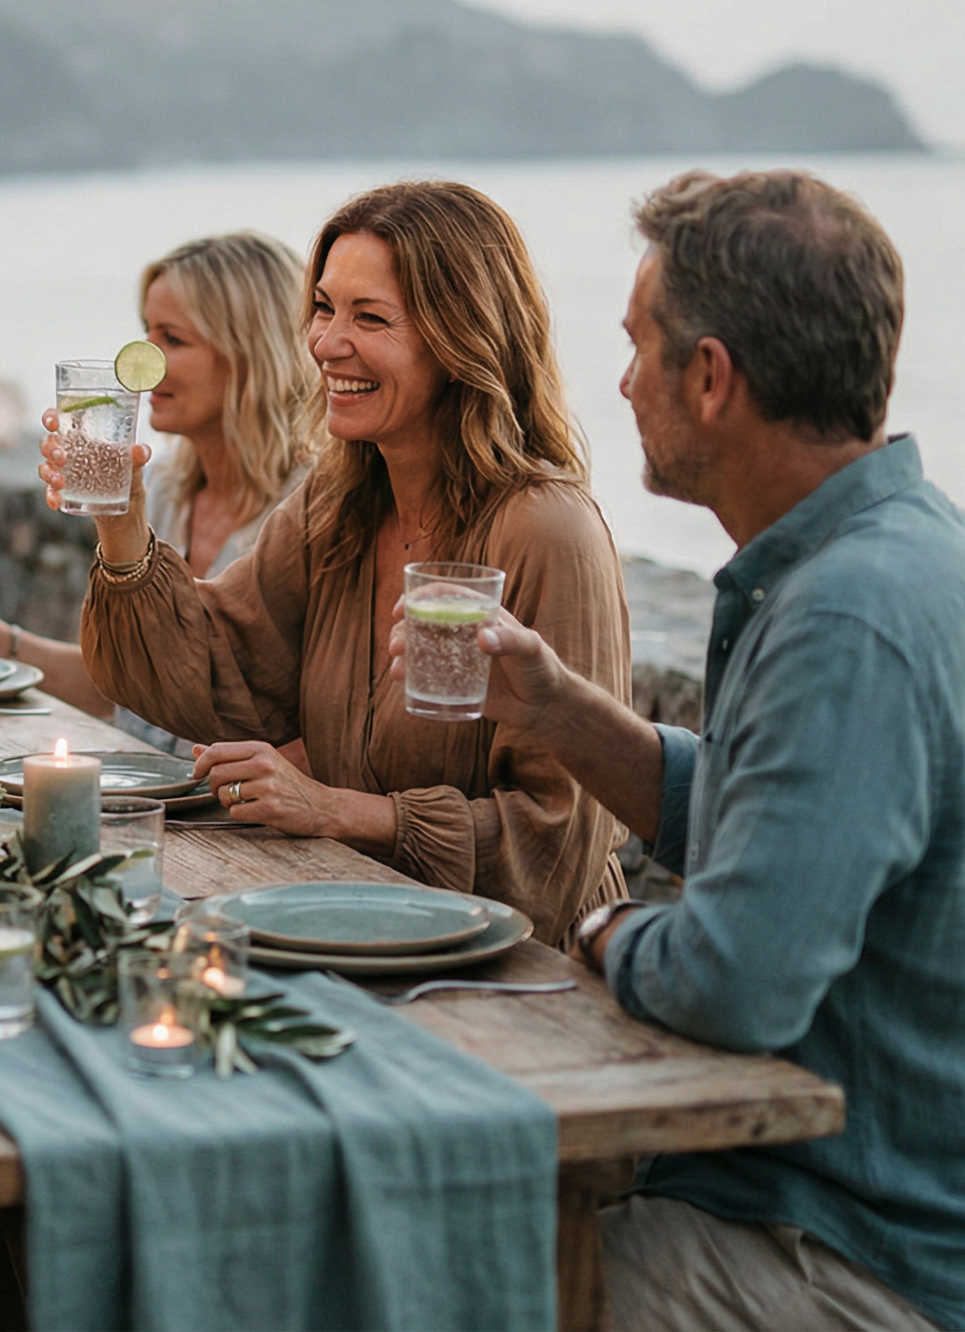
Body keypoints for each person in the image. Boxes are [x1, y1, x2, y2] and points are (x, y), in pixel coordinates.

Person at [437, 170, 965, 1329]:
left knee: (416, 1280)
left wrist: (600, 929)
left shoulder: (846, 615)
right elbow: (791, 826)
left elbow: (734, 982)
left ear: (711, 380)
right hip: (905, 1209)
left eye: (639, 346)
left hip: (868, 1248)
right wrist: (554, 707)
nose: (620, 381)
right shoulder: (920, 549)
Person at [73, 182, 631, 946]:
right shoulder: (335, 507)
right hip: (354, 929)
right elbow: (210, 667)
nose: (326, 343)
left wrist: (333, 809)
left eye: (370, 318)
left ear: (460, 337)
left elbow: (560, 841)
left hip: (518, 976)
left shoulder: (545, 530)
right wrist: (122, 520)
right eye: (325, 307)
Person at [0, 231, 321, 733]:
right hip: (140, 782)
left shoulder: (311, 507)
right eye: (145, 332)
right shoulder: (160, 494)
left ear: (252, 353)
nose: (137, 359)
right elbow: (121, 689)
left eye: (172, 339)